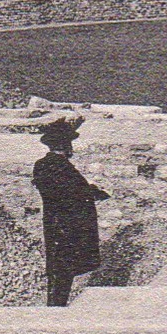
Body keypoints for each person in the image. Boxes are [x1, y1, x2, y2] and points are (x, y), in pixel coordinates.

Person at [31, 117, 109, 306]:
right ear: (65, 146)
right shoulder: (63, 167)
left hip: (54, 221)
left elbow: (62, 189)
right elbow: (70, 192)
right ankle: (56, 307)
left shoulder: (42, 165)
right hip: (67, 224)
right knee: (64, 268)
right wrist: (92, 193)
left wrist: (87, 190)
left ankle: (55, 304)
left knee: (57, 267)